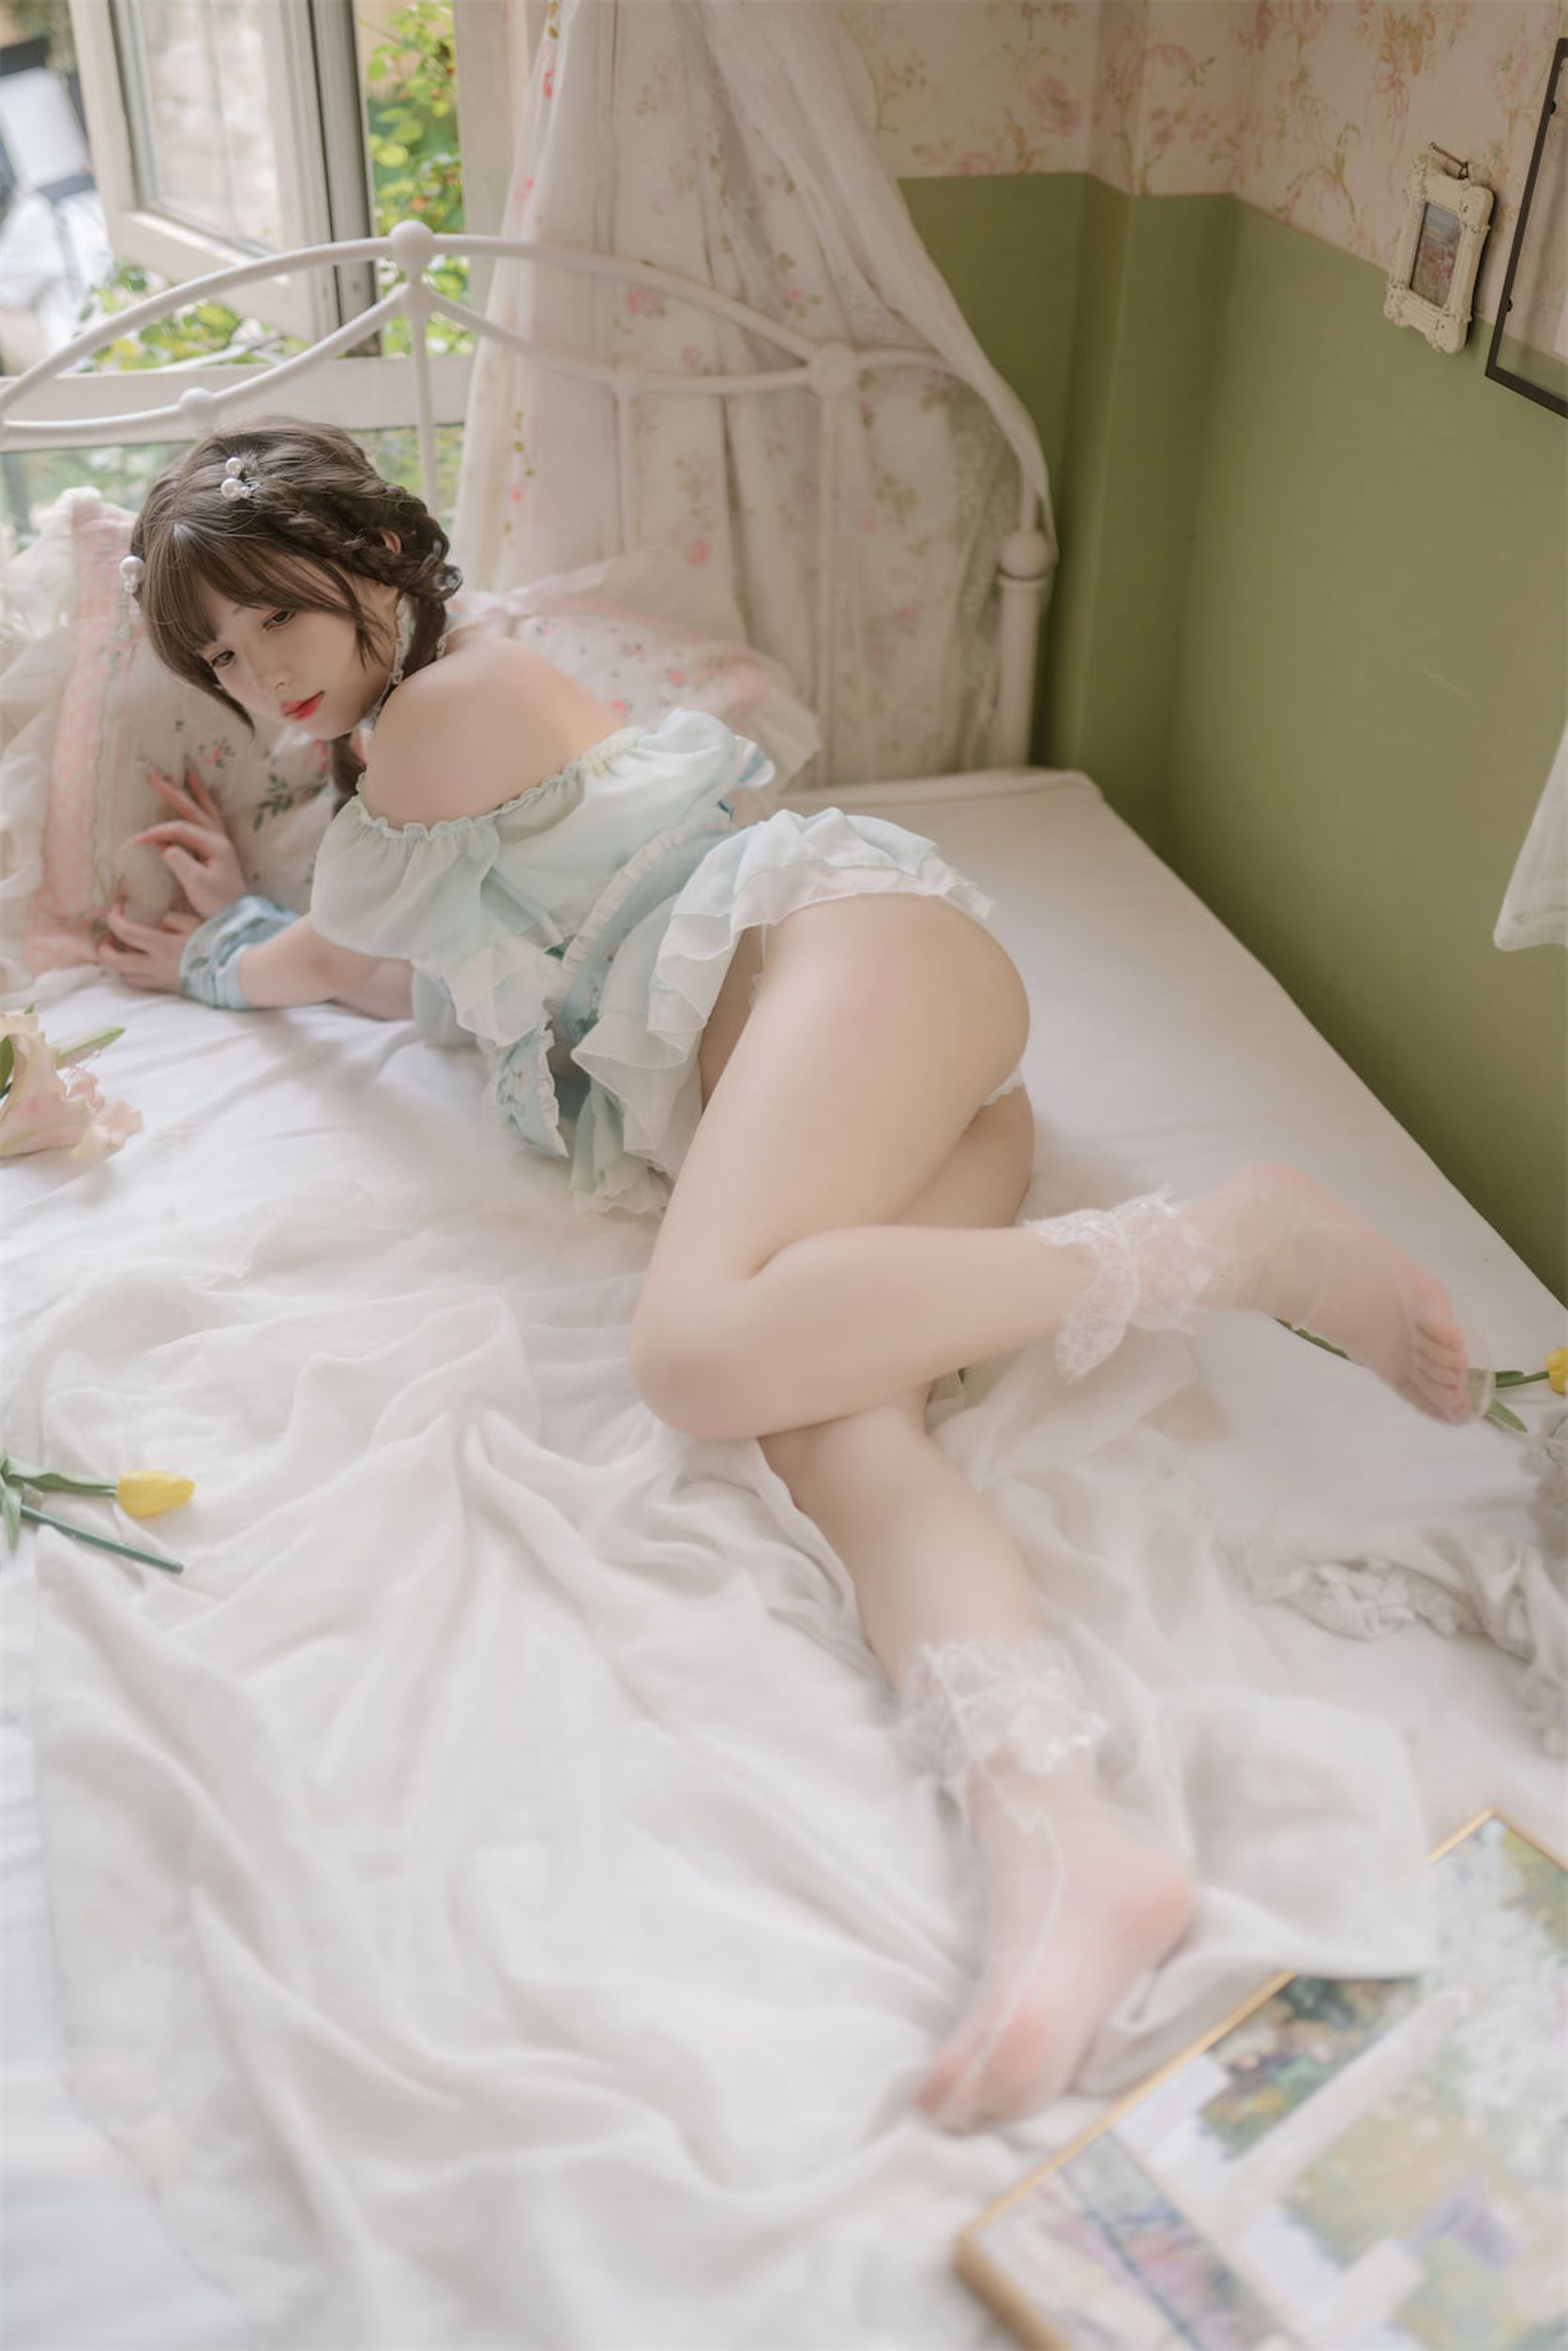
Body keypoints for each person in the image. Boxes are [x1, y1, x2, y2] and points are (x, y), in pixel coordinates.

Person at [95, 419, 1488, 2133]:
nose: (261, 680)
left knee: (691, 1355)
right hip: (886, 1079)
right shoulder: (429, 811)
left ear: (380, 560)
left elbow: (346, 939)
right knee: (834, 1433)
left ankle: (1228, 1242)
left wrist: (238, 952)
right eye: (222, 659)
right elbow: (417, 978)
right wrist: (233, 947)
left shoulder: (458, 707)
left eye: (276, 618)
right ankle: (1061, 1841)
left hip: (848, 949)